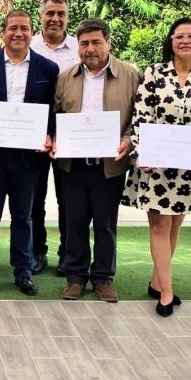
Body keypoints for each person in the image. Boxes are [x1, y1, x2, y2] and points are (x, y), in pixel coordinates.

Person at [122, 17, 191, 317]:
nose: (185, 41)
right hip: (156, 164)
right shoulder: (154, 72)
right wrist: (142, 151)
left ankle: (157, 281)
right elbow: (141, 115)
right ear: (170, 41)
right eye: (179, 36)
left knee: (176, 223)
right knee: (160, 224)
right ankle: (166, 292)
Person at [0, 9, 59, 296]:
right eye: (13, 28)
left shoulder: (48, 69)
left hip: (28, 158)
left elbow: (53, 110)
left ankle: (23, 272)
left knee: (24, 217)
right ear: (3, 32)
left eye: (24, 28)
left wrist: (50, 134)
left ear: (32, 32)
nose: (18, 33)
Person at [52, 19, 140, 302]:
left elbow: (139, 118)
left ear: (108, 43)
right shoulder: (65, 78)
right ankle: (75, 278)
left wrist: (128, 140)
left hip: (109, 165)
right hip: (73, 165)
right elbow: (56, 116)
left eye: (96, 42)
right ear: (78, 46)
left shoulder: (130, 75)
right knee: (74, 223)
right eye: (84, 43)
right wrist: (54, 138)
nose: (90, 49)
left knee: (105, 225)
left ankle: (103, 278)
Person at [29, 0, 80, 276]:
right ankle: (37, 251)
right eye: (50, 13)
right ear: (41, 16)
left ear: (68, 17)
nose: (55, 19)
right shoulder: (28, 46)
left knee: (68, 199)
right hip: (33, 135)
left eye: (61, 13)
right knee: (34, 199)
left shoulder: (79, 48)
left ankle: (67, 253)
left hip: (70, 135)